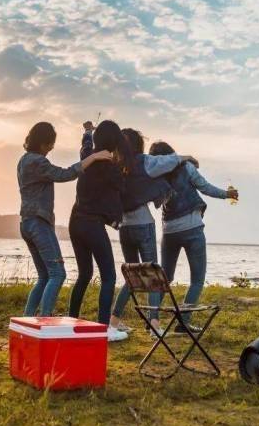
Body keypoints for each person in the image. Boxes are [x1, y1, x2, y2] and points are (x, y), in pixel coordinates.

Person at [109, 128, 200, 333]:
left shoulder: (115, 167)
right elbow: (167, 161)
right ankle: (154, 324)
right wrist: (186, 157)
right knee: (153, 277)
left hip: (124, 227)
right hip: (143, 225)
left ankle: (113, 322)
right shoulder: (144, 162)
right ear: (138, 145)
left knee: (132, 276)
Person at [18, 121, 112, 317]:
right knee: (58, 274)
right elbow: (65, 174)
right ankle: (44, 319)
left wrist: (87, 133)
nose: (51, 148)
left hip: (26, 223)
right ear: (42, 143)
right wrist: (93, 157)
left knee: (44, 276)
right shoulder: (38, 162)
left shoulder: (23, 160)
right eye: (50, 144)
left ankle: (27, 321)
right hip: (38, 222)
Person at [148, 141, 239, 335]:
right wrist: (227, 194)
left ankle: (152, 319)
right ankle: (184, 322)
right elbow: (205, 188)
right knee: (197, 280)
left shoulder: (155, 176)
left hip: (169, 232)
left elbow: (155, 200)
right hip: (192, 229)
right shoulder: (186, 167)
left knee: (165, 277)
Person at [68, 120, 132, 342]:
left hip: (75, 222)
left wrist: (87, 131)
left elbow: (85, 145)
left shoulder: (88, 157)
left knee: (84, 274)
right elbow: (122, 187)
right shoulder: (110, 169)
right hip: (92, 224)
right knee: (109, 276)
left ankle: (71, 321)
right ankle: (104, 329)